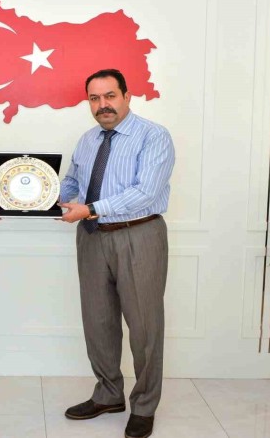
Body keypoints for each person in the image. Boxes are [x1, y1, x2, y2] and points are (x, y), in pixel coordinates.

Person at [58, 68, 175, 438]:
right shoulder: (88, 139)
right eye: (94, 98)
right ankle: (108, 394)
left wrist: (90, 208)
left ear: (127, 96)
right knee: (98, 321)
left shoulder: (153, 135)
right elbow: (72, 181)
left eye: (110, 96)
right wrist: (42, 197)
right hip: (91, 236)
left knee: (144, 327)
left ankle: (144, 406)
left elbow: (146, 191)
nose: (102, 105)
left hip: (138, 235)